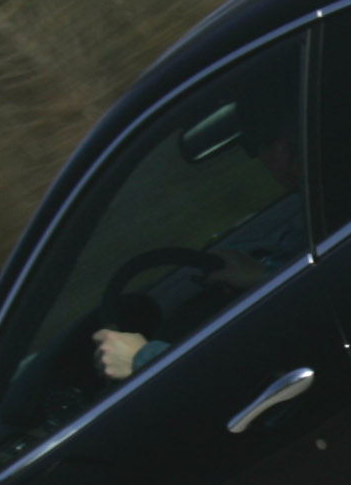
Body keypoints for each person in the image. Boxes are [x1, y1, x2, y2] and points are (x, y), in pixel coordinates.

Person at [90, 129, 305, 381]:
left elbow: (239, 378)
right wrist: (263, 274)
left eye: (258, 143)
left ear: (284, 148)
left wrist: (141, 358)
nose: (261, 158)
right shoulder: (330, 210)